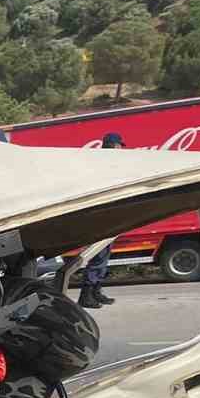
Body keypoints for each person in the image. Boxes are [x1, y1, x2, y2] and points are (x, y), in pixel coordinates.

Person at [79, 132, 127, 311]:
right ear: (113, 145)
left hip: (108, 216)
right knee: (98, 256)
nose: (120, 149)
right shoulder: (104, 162)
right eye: (119, 145)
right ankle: (86, 295)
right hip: (101, 217)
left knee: (104, 255)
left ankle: (96, 290)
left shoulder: (106, 162)